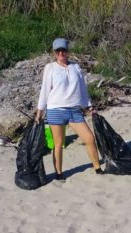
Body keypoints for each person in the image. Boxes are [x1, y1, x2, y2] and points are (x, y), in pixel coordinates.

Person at [35, 37, 104, 180]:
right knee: (58, 144)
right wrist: (40, 111)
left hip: (74, 110)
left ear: (67, 51)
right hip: (56, 110)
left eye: (63, 50)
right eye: (58, 50)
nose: (61, 53)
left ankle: (97, 168)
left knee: (89, 138)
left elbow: (83, 89)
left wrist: (89, 106)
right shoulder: (50, 68)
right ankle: (59, 174)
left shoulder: (76, 67)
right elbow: (45, 90)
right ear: (54, 52)